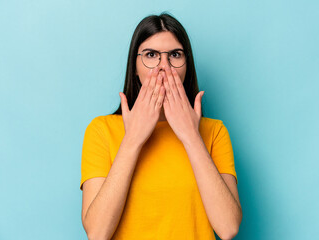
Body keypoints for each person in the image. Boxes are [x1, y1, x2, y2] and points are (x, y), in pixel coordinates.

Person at [80, 12, 242, 240]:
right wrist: (133, 138)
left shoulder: (214, 131)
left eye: (175, 55)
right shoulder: (101, 130)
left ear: (187, 65)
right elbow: (97, 233)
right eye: (151, 55)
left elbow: (228, 228)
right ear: (134, 67)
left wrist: (191, 136)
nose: (164, 67)